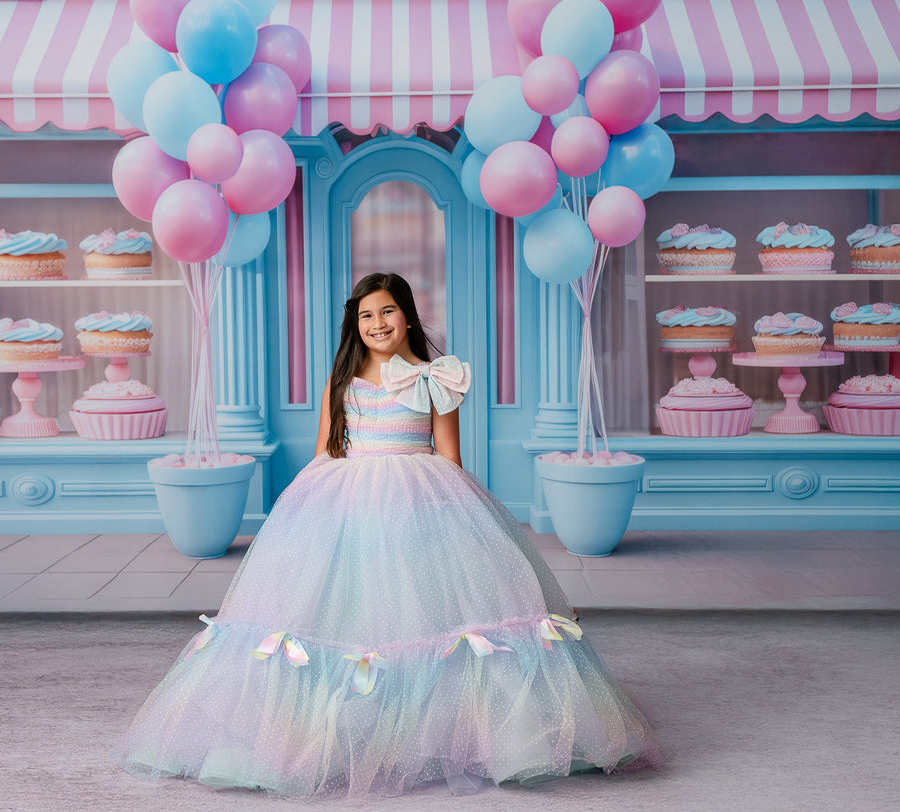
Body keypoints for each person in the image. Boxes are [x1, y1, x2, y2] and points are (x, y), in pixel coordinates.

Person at [113, 272, 657, 797]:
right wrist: (315, 510)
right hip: (345, 497)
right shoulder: (341, 379)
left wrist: (451, 516)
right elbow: (328, 448)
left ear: (408, 316)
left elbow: (449, 455)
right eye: (367, 314)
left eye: (388, 311)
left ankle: (486, 734)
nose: (378, 323)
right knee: (334, 606)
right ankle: (291, 739)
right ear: (356, 323)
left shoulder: (435, 375)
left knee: (434, 609)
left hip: (419, 493)